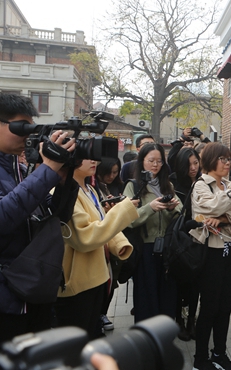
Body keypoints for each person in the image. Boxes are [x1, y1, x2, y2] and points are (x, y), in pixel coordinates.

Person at [0, 93, 78, 369]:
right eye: (21, 127)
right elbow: (0, 216)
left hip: (32, 291)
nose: (26, 136)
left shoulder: (19, 167)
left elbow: (55, 215)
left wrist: (63, 177)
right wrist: (49, 168)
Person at [54, 159, 138, 339]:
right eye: (86, 155)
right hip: (77, 282)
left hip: (97, 277)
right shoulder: (63, 191)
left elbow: (100, 221)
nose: (94, 161)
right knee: (77, 342)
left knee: (91, 334)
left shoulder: (89, 189)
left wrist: (118, 244)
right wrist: (123, 210)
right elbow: (84, 236)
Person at [189, 142, 231, 370]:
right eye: (223, 159)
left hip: (229, 251)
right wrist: (227, 204)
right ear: (211, 160)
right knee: (209, 307)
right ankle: (200, 358)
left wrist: (224, 219)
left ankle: (219, 353)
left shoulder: (226, 185)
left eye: (229, 159)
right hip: (209, 254)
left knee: (226, 305)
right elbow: (210, 210)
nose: (228, 163)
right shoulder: (200, 186)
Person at [123, 143, 182, 323]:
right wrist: (150, 207)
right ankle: (146, 338)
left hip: (167, 247)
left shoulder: (168, 185)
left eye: (159, 161)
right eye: (151, 161)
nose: (155, 165)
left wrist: (171, 208)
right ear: (142, 162)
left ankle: (164, 333)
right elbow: (126, 218)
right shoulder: (133, 186)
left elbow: (180, 210)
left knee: (167, 294)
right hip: (145, 249)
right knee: (146, 296)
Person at [169, 147, 202, 341]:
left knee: (195, 283)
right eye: (189, 164)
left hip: (198, 239)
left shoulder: (202, 182)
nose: (193, 168)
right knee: (179, 282)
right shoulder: (173, 182)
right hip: (179, 240)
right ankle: (179, 321)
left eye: (196, 163)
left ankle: (191, 319)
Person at [94, 157, 126, 332]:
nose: (112, 176)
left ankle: (103, 313)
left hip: (115, 239)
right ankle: (98, 315)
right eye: (109, 172)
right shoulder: (92, 186)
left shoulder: (116, 185)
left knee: (111, 281)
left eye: (116, 172)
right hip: (100, 239)